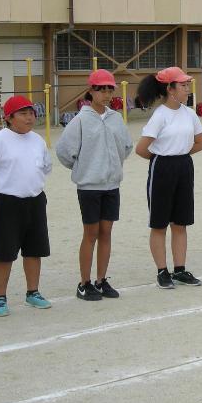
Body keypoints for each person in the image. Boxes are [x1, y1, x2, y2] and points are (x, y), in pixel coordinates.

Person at [56, 69, 133, 301]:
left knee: (106, 232)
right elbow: (64, 152)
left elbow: (126, 146)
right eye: (102, 89)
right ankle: (84, 283)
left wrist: (112, 166)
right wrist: (85, 169)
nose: (107, 94)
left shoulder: (116, 118)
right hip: (89, 187)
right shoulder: (80, 120)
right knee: (90, 233)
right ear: (91, 91)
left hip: (112, 185)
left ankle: (101, 280)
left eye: (110, 89)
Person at [0, 95, 53, 317]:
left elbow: (46, 167)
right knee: (4, 252)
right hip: (8, 203)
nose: (29, 118)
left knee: (34, 250)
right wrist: (0, 179)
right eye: (23, 114)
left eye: (32, 113)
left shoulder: (37, 140)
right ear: (9, 118)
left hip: (35, 200)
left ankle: (33, 292)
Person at [135, 67, 202, 289]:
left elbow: (200, 143)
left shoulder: (190, 114)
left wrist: (179, 154)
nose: (187, 89)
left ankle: (180, 270)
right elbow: (141, 149)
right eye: (183, 85)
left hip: (184, 166)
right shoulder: (160, 115)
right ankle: (162, 271)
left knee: (180, 222)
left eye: (187, 85)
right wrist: (162, 159)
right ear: (170, 89)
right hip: (162, 168)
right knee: (159, 224)